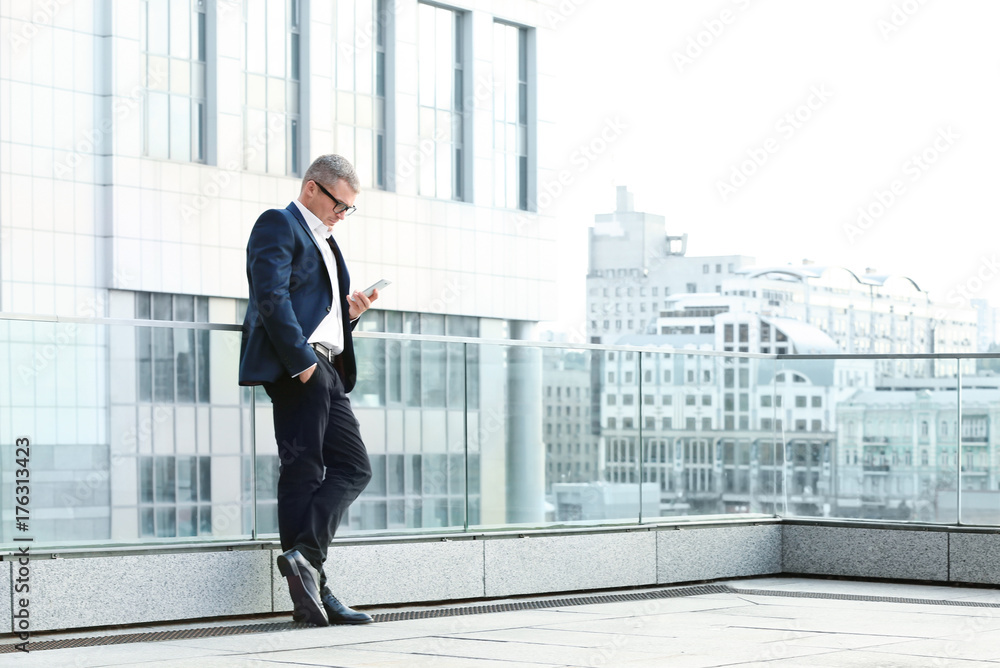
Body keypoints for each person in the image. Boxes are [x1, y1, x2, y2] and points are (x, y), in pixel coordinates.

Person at [239, 154, 378, 626]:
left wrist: (348, 315)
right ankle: (312, 588)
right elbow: (270, 297)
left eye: (349, 208)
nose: (343, 215)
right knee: (303, 472)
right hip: (301, 366)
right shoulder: (278, 224)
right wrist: (302, 366)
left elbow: (314, 306)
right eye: (340, 204)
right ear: (312, 188)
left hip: (329, 366)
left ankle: (306, 563)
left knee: (354, 468)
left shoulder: (327, 241)